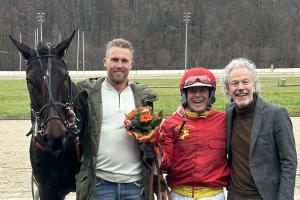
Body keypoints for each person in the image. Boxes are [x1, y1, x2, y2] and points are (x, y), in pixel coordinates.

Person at [73, 38, 164, 200]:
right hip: (99, 185)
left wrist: (159, 183)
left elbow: (153, 144)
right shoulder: (86, 94)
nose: (119, 65)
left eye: (124, 60)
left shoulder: (143, 97)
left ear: (131, 64)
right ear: (105, 62)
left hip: (136, 186)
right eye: (114, 59)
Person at [221, 58, 297, 200]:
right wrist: (183, 108)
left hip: (265, 196)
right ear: (228, 88)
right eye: (234, 83)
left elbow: (289, 162)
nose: (240, 87)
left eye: (245, 81)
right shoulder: (229, 111)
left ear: (254, 85)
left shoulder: (276, 114)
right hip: (234, 195)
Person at [160, 68, 230, 200]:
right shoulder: (171, 123)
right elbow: (165, 163)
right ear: (184, 94)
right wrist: (154, 149)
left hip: (214, 195)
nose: (198, 95)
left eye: (203, 90)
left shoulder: (225, 120)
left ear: (211, 94)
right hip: (178, 195)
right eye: (192, 91)